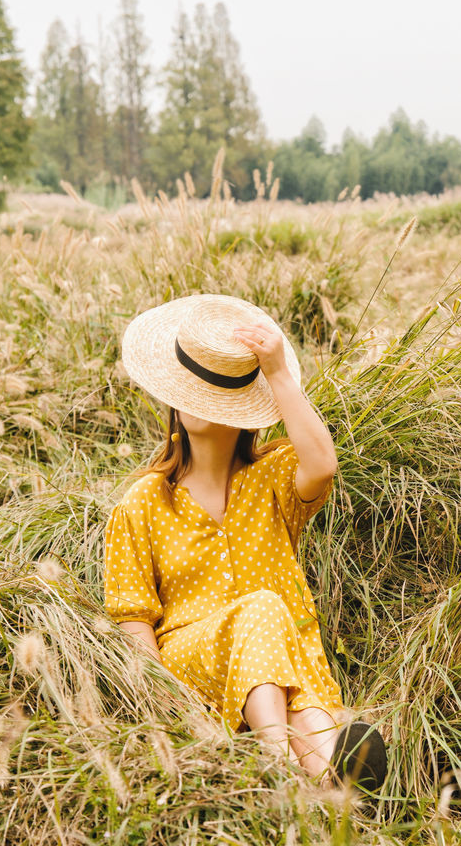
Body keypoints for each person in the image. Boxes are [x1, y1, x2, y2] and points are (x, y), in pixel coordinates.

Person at [103, 293, 387, 793]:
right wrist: (164, 707)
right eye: (189, 388)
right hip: (194, 672)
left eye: (211, 389)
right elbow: (134, 621)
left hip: (288, 664)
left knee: (307, 710)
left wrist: (278, 374)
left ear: (242, 411)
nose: (193, 399)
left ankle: (326, 784)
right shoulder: (144, 501)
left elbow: (322, 464)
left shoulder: (273, 476)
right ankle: (278, 771)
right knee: (261, 609)